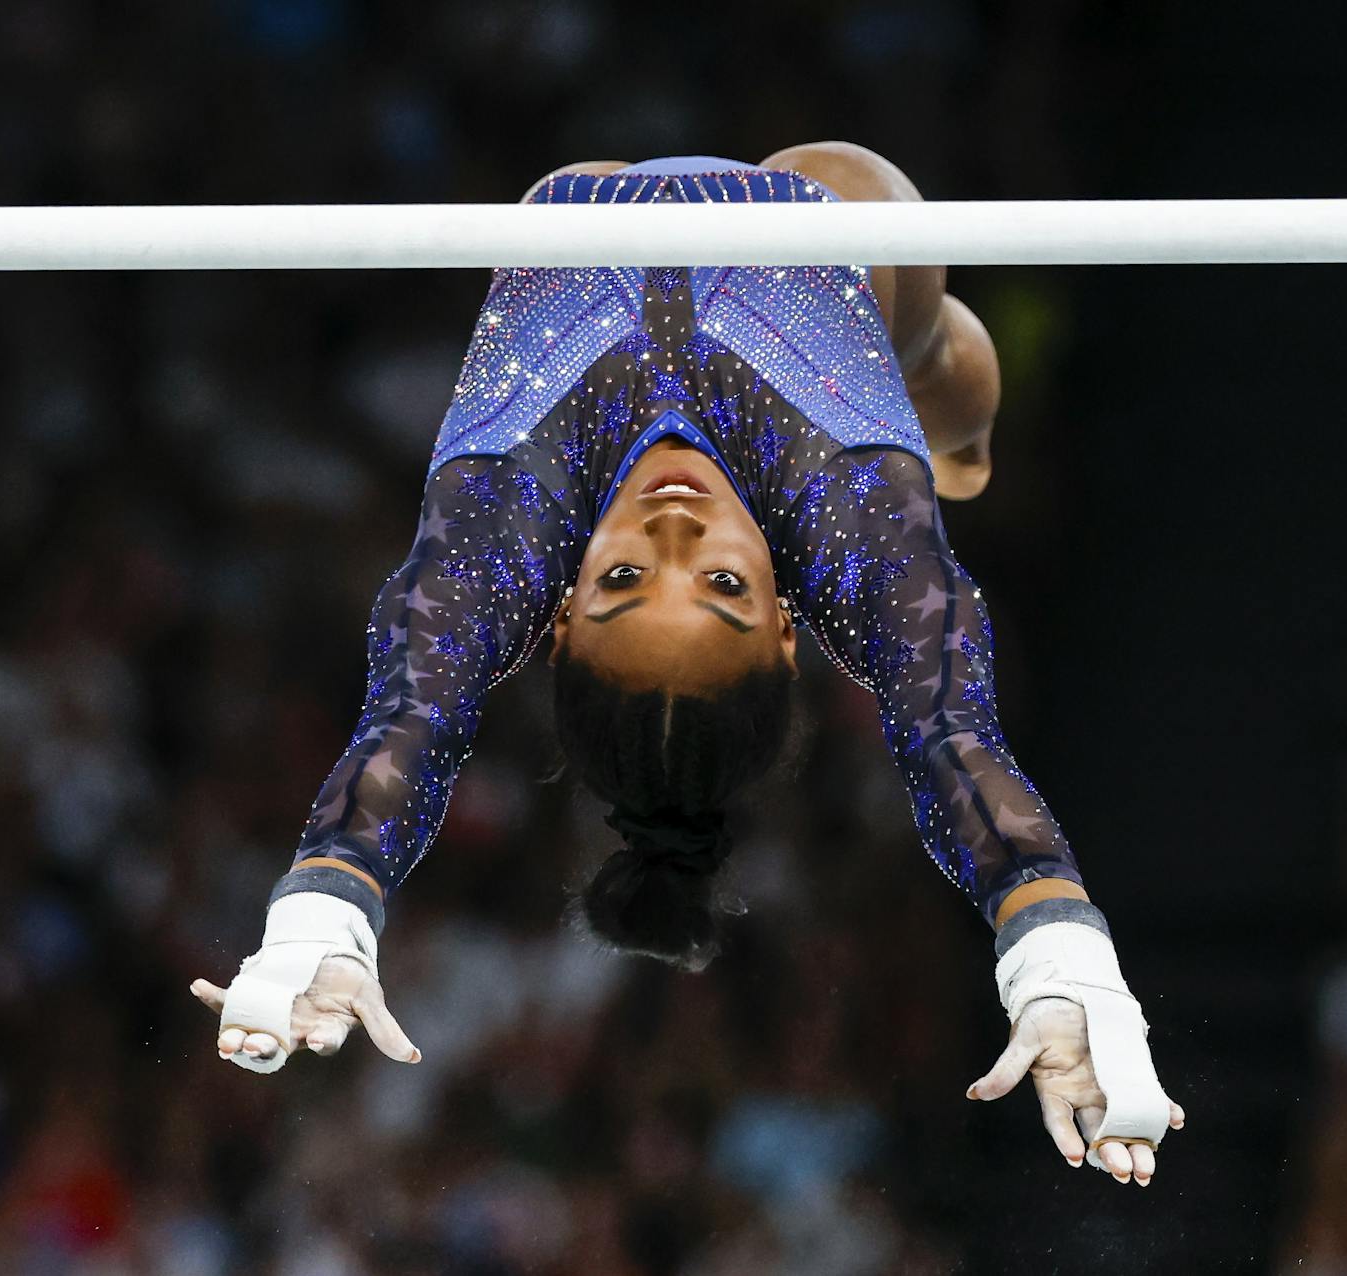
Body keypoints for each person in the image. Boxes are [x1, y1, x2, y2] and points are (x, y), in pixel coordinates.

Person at [191, 143, 1186, 1185]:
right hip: (835, 243)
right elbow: (952, 735)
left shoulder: (501, 533)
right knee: (878, 236)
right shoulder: (852, 524)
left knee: (628, 177)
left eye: (622, 578)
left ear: (560, 616)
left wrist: (327, 907)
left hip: (587, 200)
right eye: (724, 585)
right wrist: (1057, 957)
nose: (676, 527)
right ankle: (941, 391)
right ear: (791, 621)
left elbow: (409, 723)